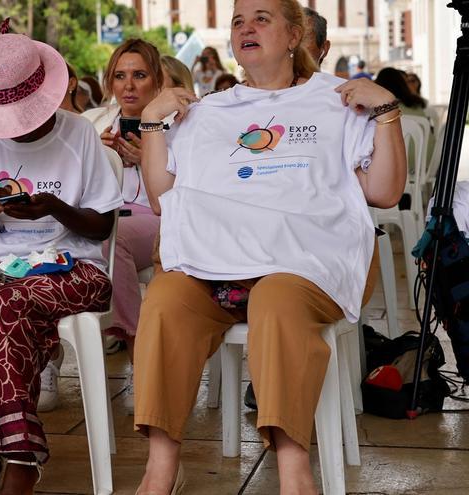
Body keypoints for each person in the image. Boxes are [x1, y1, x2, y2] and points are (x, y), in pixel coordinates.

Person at [133, 1, 406, 493]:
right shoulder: (210, 112)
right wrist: (153, 123)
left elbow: (384, 192)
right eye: (237, 20)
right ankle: (161, 467)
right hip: (218, 265)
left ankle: (294, 467)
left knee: (277, 298)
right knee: (165, 299)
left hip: (310, 262)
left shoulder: (338, 101)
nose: (245, 28)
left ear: (295, 33)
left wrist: (386, 110)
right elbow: (162, 199)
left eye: (261, 18)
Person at [0, 23, 122, 495]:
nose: (16, 130)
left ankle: (17, 455)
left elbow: (102, 228)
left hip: (75, 267)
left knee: (8, 306)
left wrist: (54, 207)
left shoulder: (80, 135)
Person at [78, 38, 166, 415]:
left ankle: (136, 347)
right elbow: (81, 191)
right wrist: (100, 159)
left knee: (113, 240)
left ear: (156, 80)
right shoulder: (96, 124)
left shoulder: (174, 123)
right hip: (113, 213)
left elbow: (176, 196)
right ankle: (50, 354)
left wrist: (147, 158)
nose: (129, 85)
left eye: (139, 75)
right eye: (120, 76)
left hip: (158, 216)